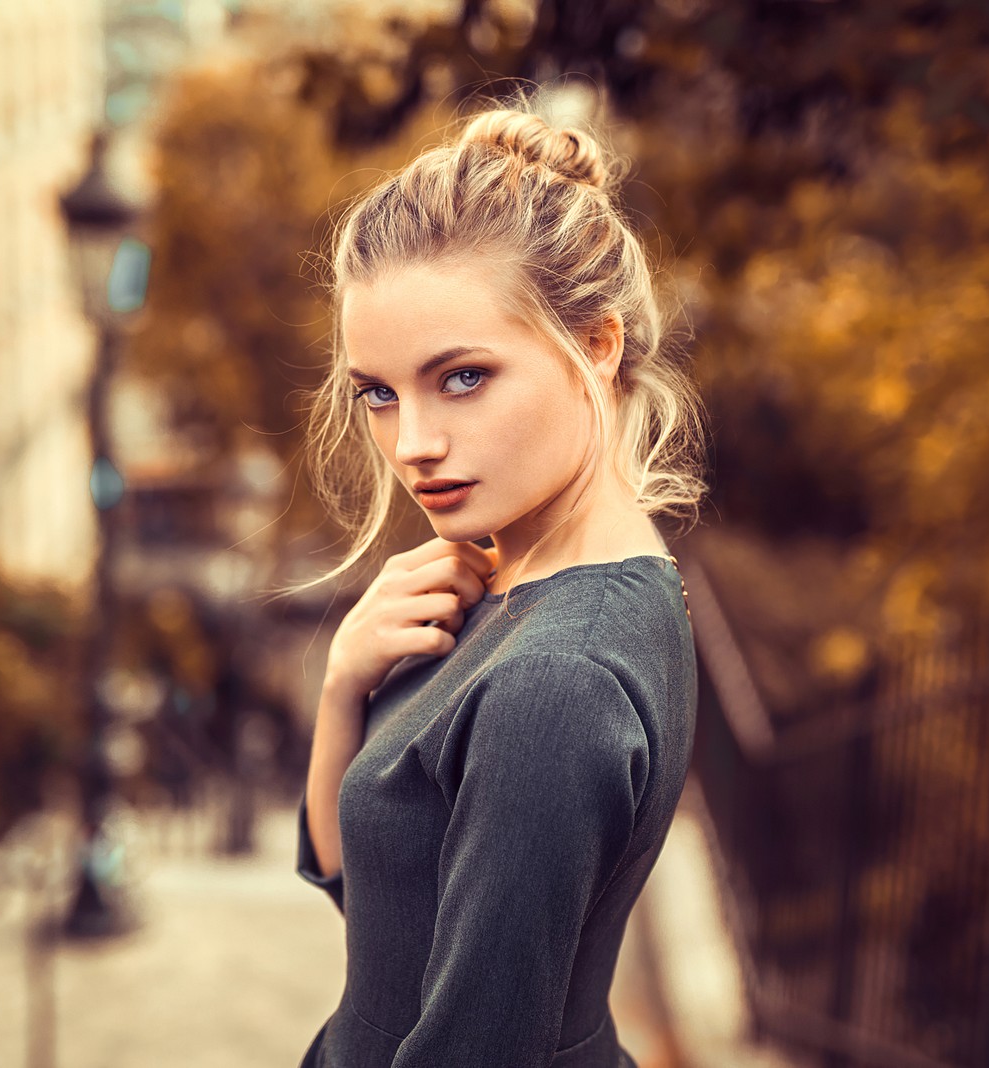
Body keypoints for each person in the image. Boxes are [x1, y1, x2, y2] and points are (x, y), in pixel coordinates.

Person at [292, 98, 708, 1068]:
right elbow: (385, 902)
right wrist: (343, 680)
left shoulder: (555, 679)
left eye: (464, 378)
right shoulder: (544, 576)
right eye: (379, 394)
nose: (414, 444)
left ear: (596, 346)